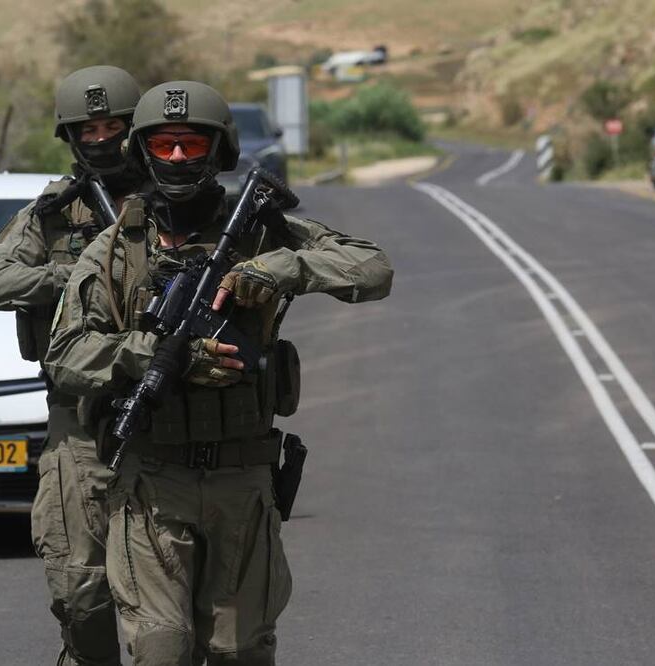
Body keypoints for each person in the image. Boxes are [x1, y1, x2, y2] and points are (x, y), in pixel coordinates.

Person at [44, 81, 394, 665]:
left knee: (240, 650)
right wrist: (149, 354)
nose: (177, 156)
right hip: (153, 479)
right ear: (142, 151)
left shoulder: (258, 231)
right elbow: (66, 354)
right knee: (161, 648)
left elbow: (372, 267)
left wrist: (284, 267)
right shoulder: (113, 249)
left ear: (219, 150)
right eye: (163, 144)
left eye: (190, 142)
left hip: (241, 479)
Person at [0, 65, 144, 666]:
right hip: (79, 423)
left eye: (113, 126)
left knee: (173, 610)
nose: (101, 139)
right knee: (79, 593)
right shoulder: (54, 212)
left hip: (167, 418)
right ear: (70, 138)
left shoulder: (173, 202)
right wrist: (77, 273)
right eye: (88, 129)